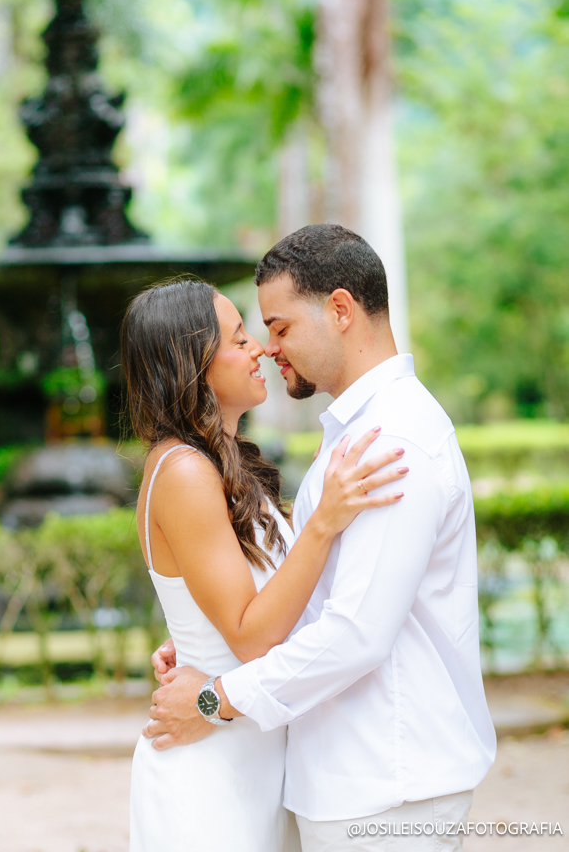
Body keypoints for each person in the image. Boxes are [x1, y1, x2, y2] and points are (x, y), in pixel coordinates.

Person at [144, 224, 497, 851]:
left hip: (386, 784)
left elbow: (355, 632)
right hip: (346, 777)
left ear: (339, 309)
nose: (267, 348)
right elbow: (313, 594)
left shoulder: (390, 442)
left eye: (279, 328)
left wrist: (215, 696)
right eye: (252, 333)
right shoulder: (353, 433)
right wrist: (199, 630)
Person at [121, 276, 408, 852]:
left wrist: (190, 638)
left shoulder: (224, 463)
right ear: (192, 365)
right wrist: (324, 521)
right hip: (210, 771)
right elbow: (252, 638)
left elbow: (241, 604)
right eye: (238, 339)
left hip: (256, 752)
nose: (261, 348)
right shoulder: (182, 470)